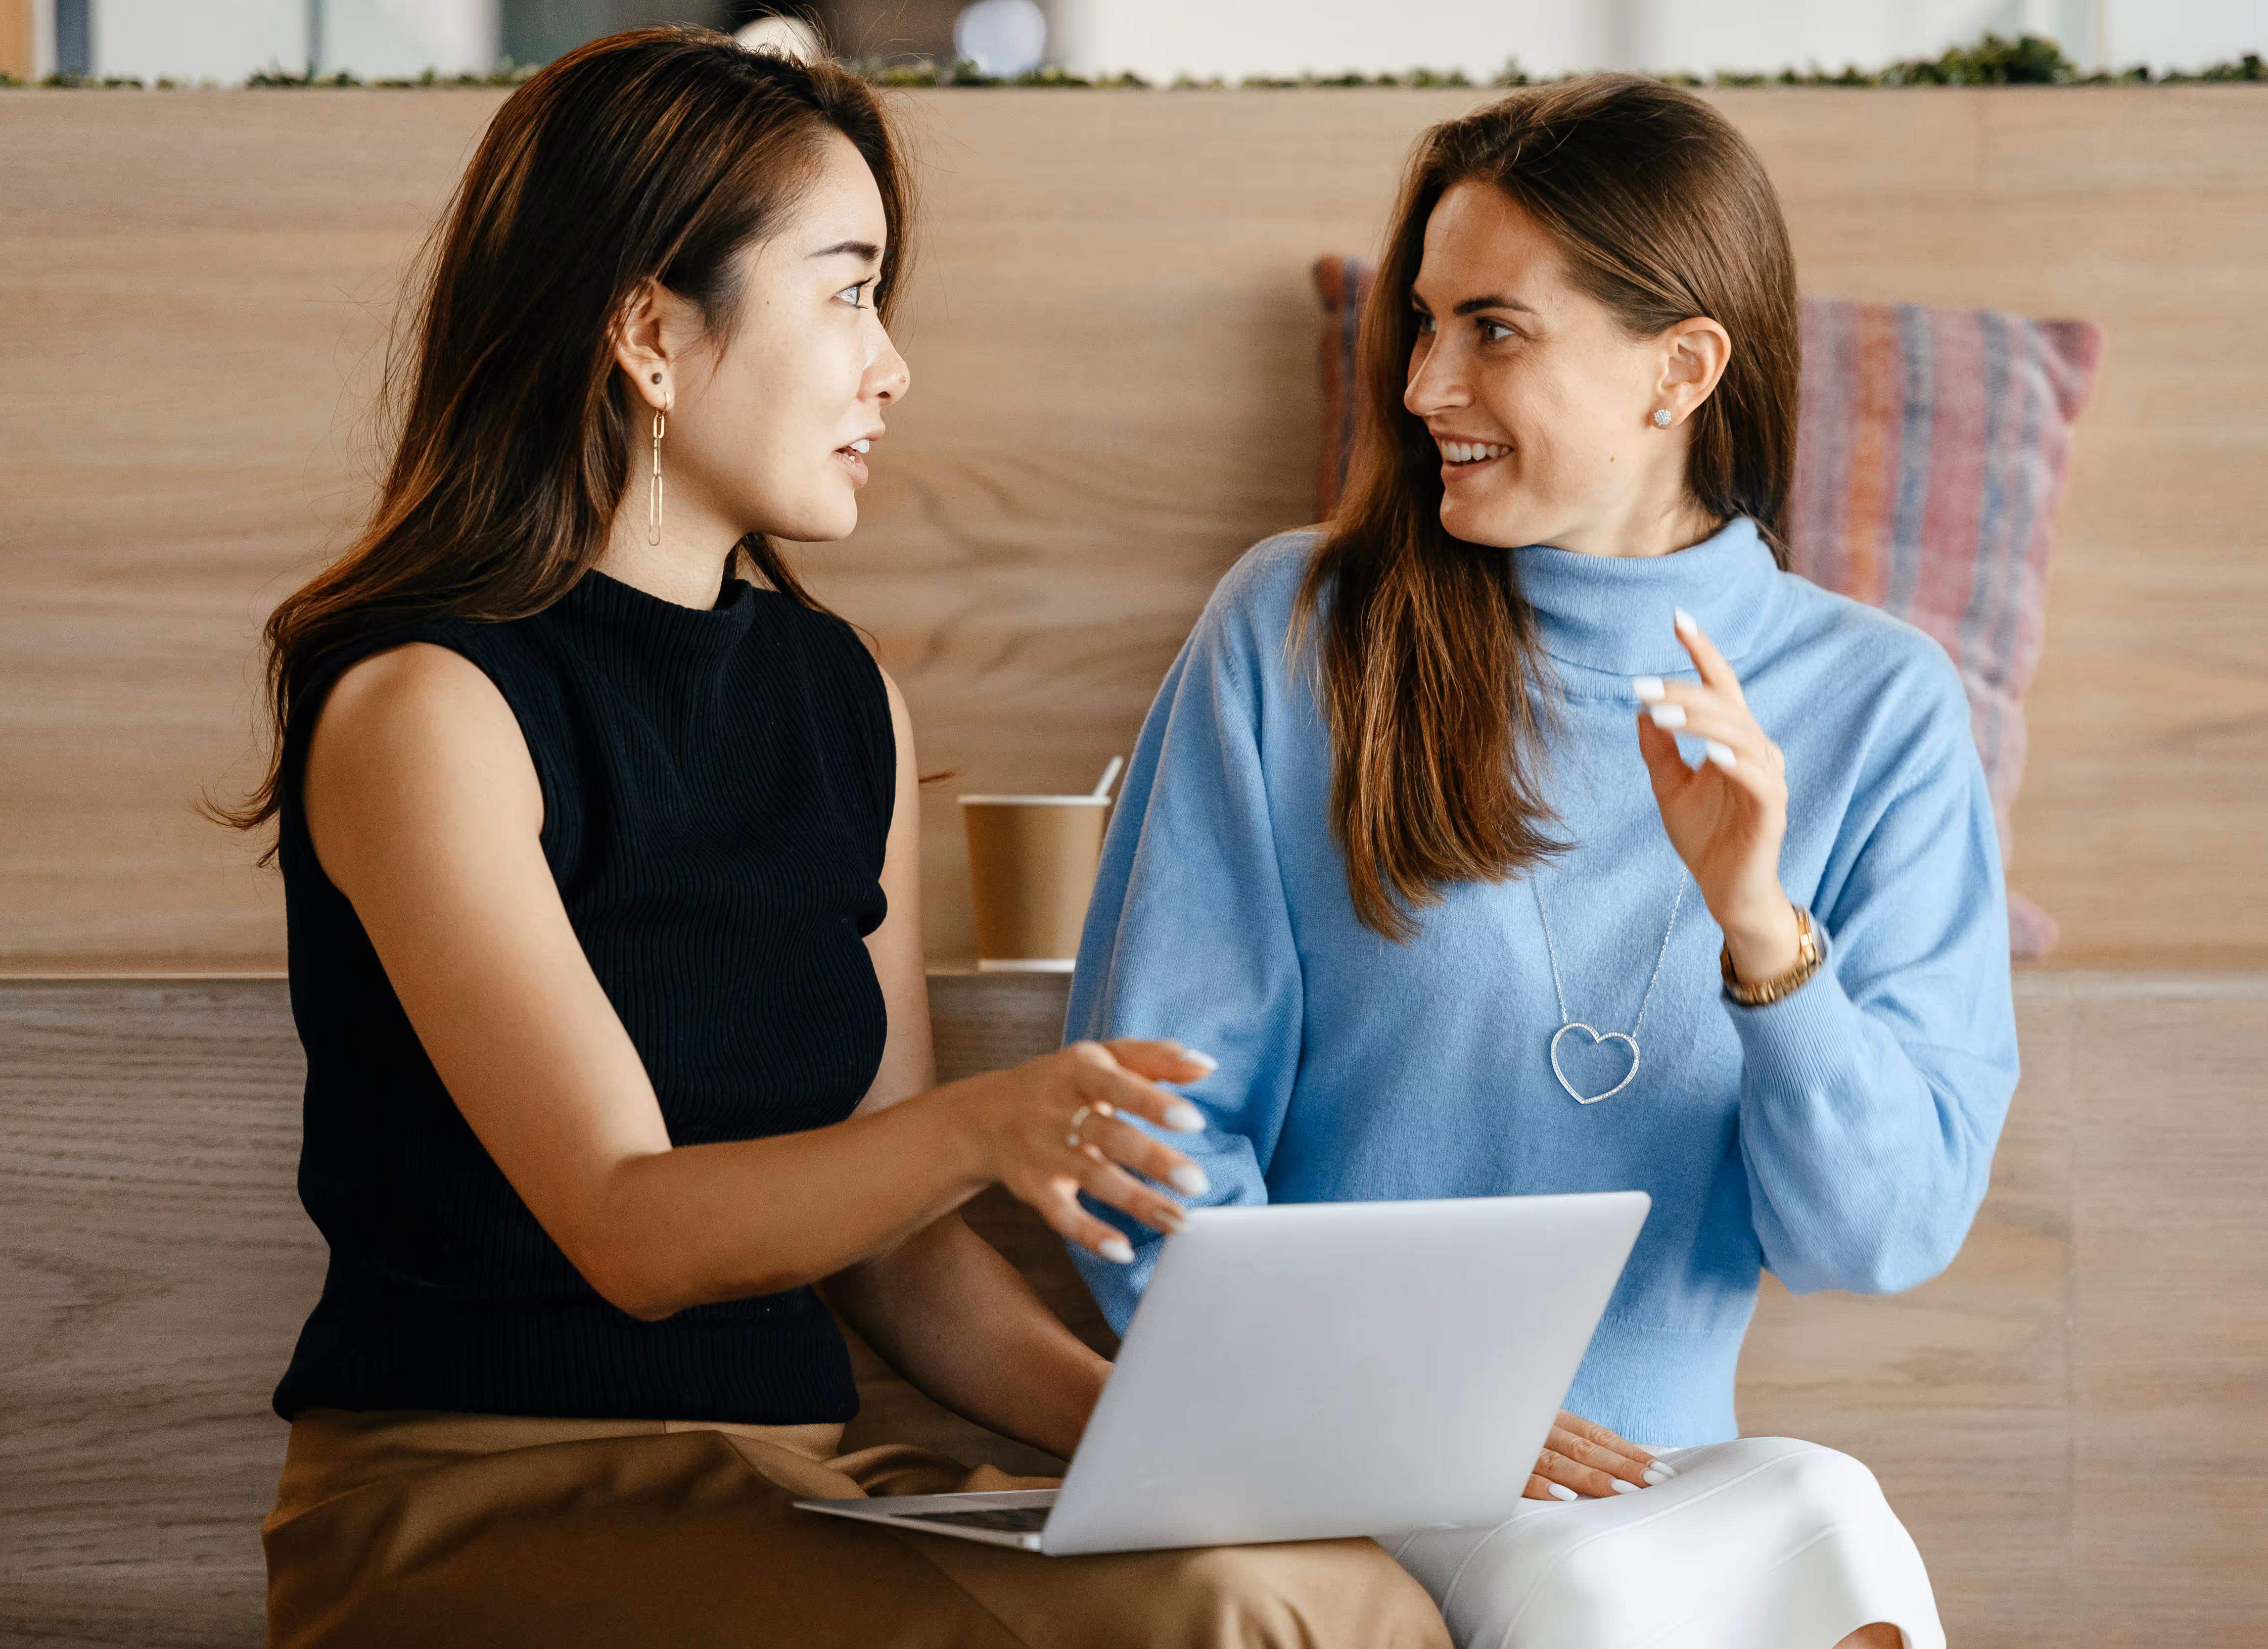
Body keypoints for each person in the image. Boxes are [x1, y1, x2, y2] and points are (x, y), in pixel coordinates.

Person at [215, 28, 1449, 1649]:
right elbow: (631, 1226)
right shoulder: (427, 709)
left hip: (791, 1486)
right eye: (847, 290)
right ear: (653, 332)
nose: (893, 366)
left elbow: (905, 1265)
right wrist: (989, 1125)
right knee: (1232, 1618)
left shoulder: (837, 693)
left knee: (1343, 1585)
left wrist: (1220, 1454)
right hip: (476, 1501)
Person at [1067, 76, 2019, 1649]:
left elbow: (1881, 1229)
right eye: (1421, 323)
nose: (1427, 379)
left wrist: (1759, 929)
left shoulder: (1883, 705)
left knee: (1832, 1508)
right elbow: (1141, 1143)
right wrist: (1398, 1418)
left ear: (1682, 368)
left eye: (1493, 329)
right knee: (1605, 1584)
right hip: (1340, 1461)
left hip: (1659, 1470)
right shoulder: (1297, 630)